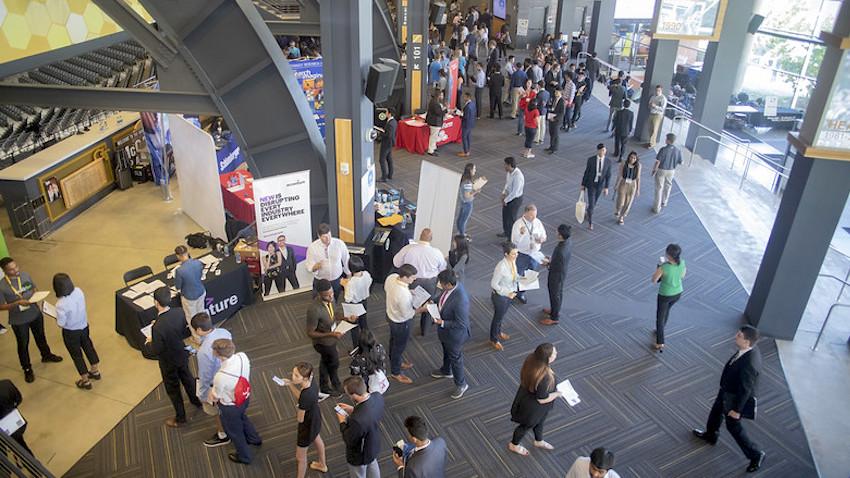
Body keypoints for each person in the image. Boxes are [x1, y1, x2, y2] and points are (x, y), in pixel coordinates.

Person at [693, 326, 765, 473]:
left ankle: (756, 454)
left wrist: (737, 410)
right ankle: (711, 435)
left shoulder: (750, 362)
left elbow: (746, 389)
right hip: (726, 391)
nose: (735, 336)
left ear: (746, 341)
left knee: (734, 427)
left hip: (733, 398)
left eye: (739, 335)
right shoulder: (749, 350)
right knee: (715, 413)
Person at [0, 257, 62, 383]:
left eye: (16, 267)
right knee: (23, 344)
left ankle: (46, 355)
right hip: (19, 320)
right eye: (11, 270)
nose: (16, 270)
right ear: (5, 271)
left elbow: (34, 288)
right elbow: (1, 306)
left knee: (41, 336)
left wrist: (35, 295)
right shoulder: (2, 286)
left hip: (34, 313)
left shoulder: (25, 275)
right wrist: (17, 303)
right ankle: (27, 368)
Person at [147, 287, 202, 427]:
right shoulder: (179, 312)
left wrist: (150, 341)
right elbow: (184, 333)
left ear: (155, 302)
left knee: (173, 389)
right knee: (188, 378)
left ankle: (180, 417)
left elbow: (156, 350)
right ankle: (196, 401)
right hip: (181, 354)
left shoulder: (157, 327)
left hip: (168, 361)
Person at [211, 338, 261, 465]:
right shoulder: (242, 356)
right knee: (243, 417)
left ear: (218, 355)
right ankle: (254, 438)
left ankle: (245, 457)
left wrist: (210, 394)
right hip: (244, 398)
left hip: (230, 407)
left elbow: (216, 395)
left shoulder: (220, 376)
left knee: (235, 432)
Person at [508, 343, 562, 456]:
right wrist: (557, 394)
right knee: (525, 427)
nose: (556, 354)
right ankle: (514, 444)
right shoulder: (544, 377)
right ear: (547, 358)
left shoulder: (532, 360)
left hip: (528, 398)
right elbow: (542, 399)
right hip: (533, 408)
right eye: (554, 353)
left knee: (540, 422)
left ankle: (538, 440)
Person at [393, 228, 446, 336]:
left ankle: (407, 329)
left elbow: (396, 263)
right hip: (430, 283)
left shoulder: (408, 249)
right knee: (428, 306)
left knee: (409, 306)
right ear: (431, 239)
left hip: (412, 281)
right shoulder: (437, 253)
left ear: (420, 236)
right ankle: (424, 331)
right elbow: (443, 269)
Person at [52, 273, 100, 390]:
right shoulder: (78, 291)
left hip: (71, 332)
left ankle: (85, 381)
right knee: (88, 347)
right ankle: (95, 371)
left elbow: (61, 323)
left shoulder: (60, 304)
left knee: (77, 355)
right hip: (84, 326)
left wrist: (56, 316)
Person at [191, 312, 232, 448]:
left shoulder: (203, 352)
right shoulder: (224, 332)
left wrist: (203, 396)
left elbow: (205, 377)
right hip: (230, 377)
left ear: (198, 330)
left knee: (216, 411)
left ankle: (222, 435)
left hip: (216, 384)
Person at [306, 279, 351, 397]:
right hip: (323, 343)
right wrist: (330, 335)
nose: (331, 296)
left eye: (331, 293)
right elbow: (310, 333)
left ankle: (324, 386)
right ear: (320, 295)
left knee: (326, 362)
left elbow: (334, 314)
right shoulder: (314, 310)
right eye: (327, 295)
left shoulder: (331, 298)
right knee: (333, 363)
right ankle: (335, 385)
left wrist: (345, 318)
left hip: (332, 337)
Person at [430, 269, 471, 399]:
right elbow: (443, 298)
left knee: (456, 359)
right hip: (445, 333)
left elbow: (461, 324)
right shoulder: (450, 288)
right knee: (446, 351)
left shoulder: (461, 300)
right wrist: (434, 301)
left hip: (455, 335)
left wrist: (442, 322)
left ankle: (461, 384)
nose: (439, 285)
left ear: (448, 284)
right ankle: (446, 370)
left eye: (441, 283)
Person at [385, 265, 428, 384]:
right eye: (412, 278)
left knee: (393, 341)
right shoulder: (403, 294)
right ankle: (396, 372)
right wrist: (422, 309)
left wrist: (409, 293)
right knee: (399, 347)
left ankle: (395, 361)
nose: (414, 280)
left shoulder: (391, 277)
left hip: (391, 316)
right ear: (404, 277)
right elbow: (408, 314)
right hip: (401, 322)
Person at [336, 376, 385, 478]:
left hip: (360, 454)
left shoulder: (356, 420)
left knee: (358, 474)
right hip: (373, 444)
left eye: (347, 393)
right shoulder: (377, 396)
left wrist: (342, 422)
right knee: (372, 464)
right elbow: (368, 412)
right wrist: (355, 409)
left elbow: (349, 439)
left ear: (354, 395)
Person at [285, 362, 328, 476]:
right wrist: (290, 384)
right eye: (293, 373)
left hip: (307, 426)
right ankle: (322, 464)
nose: (293, 377)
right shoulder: (312, 381)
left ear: (304, 378)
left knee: (300, 457)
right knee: (317, 438)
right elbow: (302, 397)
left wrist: (299, 409)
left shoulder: (305, 396)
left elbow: (300, 419)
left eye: (296, 376)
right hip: (315, 417)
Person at [651, 244, 686, 352]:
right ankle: (660, 329)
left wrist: (659, 266)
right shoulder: (682, 263)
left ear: (668, 255)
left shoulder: (664, 267)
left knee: (659, 318)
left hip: (665, 295)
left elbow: (654, 280)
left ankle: (660, 342)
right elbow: (682, 276)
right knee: (666, 311)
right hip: (678, 293)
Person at [305, 223, 351, 300]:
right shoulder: (313, 247)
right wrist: (316, 267)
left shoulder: (339, 244)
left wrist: (349, 275)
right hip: (320, 281)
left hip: (336, 279)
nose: (328, 239)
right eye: (324, 237)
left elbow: (346, 259)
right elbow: (309, 266)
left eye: (329, 235)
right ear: (319, 236)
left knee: (334, 300)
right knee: (318, 302)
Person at [511, 204, 547, 297]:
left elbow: (544, 235)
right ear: (525, 213)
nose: (534, 217)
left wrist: (542, 239)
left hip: (534, 254)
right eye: (531, 215)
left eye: (535, 215)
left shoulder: (537, 222)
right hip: (522, 253)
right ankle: (514, 291)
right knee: (519, 273)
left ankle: (522, 293)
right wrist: (521, 234)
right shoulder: (518, 224)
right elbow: (514, 241)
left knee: (531, 274)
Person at [489, 242, 520, 351]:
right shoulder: (501, 267)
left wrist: (520, 279)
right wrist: (507, 293)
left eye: (517, 253)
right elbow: (493, 284)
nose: (516, 256)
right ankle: (493, 339)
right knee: (497, 318)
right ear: (506, 254)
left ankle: (498, 332)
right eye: (513, 254)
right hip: (500, 297)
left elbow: (513, 274)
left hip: (509, 295)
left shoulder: (512, 261)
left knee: (501, 316)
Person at [541, 225, 572, 326]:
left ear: (560, 235)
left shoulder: (560, 251)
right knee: (557, 293)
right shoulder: (568, 242)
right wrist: (551, 259)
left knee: (555, 294)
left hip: (556, 275)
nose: (555, 233)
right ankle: (554, 310)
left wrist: (548, 263)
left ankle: (554, 318)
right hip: (562, 273)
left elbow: (557, 265)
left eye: (557, 232)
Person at [342, 256, 372, 350]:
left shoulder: (351, 283)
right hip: (364, 301)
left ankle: (357, 348)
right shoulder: (366, 274)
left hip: (354, 305)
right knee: (364, 324)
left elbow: (348, 298)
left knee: (354, 327)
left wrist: (345, 285)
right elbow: (370, 282)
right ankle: (368, 342)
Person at [580, 144, 612, 230]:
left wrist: (606, 187)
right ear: (598, 151)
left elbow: (608, 175)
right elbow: (586, 172)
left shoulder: (608, 162)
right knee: (591, 204)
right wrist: (583, 184)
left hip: (600, 186)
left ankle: (589, 212)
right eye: (602, 150)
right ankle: (590, 222)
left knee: (594, 202)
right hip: (591, 185)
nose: (603, 152)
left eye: (604, 150)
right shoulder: (591, 160)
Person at [174, 245, 206, 328]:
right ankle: (205, 328)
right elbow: (200, 275)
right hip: (201, 291)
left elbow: (178, 286)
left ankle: (197, 337)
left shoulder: (179, 271)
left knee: (191, 317)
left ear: (177, 256)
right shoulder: (198, 263)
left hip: (189, 297)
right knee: (202, 313)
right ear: (187, 252)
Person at [651, 133, 683, 213]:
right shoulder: (678, 150)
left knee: (659, 188)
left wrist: (654, 170)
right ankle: (664, 202)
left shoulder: (663, 149)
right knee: (668, 186)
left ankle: (656, 208)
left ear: (668, 140)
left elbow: (658, 161)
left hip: (662, 169)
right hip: (671, 170)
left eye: (666, 139)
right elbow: (681, 162)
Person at [0, 379, 31, 455]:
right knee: (22, 445)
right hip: (14, 425)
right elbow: (19, 399)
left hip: (2, 431)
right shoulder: (6, 384)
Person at [499, 157, 525, 238]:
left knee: (511, 219)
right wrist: (503, 193)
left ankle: (511, 238)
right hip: (508, 197)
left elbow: (515, 192)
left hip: (515, 200)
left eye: (505, 165)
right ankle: (506, 232)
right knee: (505, 216)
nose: (504, 166)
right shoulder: (509, 172)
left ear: (510, 165)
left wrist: (505, 200)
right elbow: (507, 184)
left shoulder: (518, 176)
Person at [614, 152, 641, 225]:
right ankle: (618, 210)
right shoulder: (624, 163)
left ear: (636, 159)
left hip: (632, 184)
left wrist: (638, 189)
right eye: (631, 157)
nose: (632, 159)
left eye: (634, 158)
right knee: (620, 200)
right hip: (623, 183)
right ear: (629, 157)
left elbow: (638, 178)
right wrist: (616, 184)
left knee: (628, 202)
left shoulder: (638, 166)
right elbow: (620, 175)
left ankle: (621, 217)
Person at [456, 163, 482, 237]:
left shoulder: (464, 178)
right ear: (470, 170)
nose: (475, 171)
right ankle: (462, 236)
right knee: (463, 221)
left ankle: (460, 233)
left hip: (462, 202)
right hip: (467, 204)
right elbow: (467, 196)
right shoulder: (468, 182)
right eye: (474, 169)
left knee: (460, 220)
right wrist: (476, 191)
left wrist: (473, 185)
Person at [426, 90, 447, 157]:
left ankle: (433, 147)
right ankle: (431, 150)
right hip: (435, 122)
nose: (442, 97)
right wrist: (445, 110)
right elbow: (439, 113)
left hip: (433, 121)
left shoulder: (433, 101)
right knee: (433, 136)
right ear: (437, 95)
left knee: (434, 136)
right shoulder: (435, 103)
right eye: (441, 95)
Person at [379, 108, 397, 181]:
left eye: (386, 112)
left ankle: (384, 177)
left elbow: (388, 135)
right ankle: (390, 174)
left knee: (382, 160)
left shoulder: (390, 123)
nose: (385, 113)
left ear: (389, 114)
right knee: (389, 159)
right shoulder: (393, 121)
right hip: (390, 143)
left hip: (386, 143)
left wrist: (381, 132)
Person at [545, 87, 565, 153]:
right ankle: (551, 146)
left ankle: (554, 148)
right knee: (551, 133)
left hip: (557, 121)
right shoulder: (554, 99)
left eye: (557, 92)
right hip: (551, 118)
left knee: (555, 135)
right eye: (555, 92)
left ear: (561, 92)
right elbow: (552, 107)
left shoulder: (562, 101)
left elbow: (561, 113)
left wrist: (555, 118)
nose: (555, 93)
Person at [457, 91, 476, 157]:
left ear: (468, 97)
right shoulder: (473, 104)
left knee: (464, 137)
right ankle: (468, 150)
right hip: (471, 123)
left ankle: (466, 152)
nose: (463, 98)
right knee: (468, 137)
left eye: (464, 96)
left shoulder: (468, 106)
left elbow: (465, 117)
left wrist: (460, 115)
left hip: (466, 124)